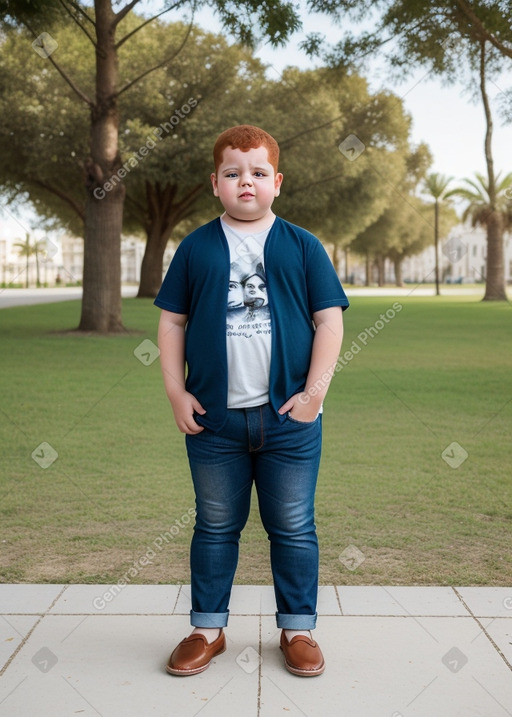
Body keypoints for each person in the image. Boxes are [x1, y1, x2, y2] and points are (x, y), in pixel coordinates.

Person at [155, 124, 349, 678]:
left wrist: (314, 396)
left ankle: (298, 628)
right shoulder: (196, 247)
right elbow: (172, 321)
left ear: (277, 182)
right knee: (215, 525)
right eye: (234, 173)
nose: (247, 182)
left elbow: (328, 323)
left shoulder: (302, 246)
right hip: (215, 422)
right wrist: (175, 390)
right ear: (215, 182)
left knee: (292, 525)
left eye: (258, 173)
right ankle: (207, 629)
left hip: (289, 422)